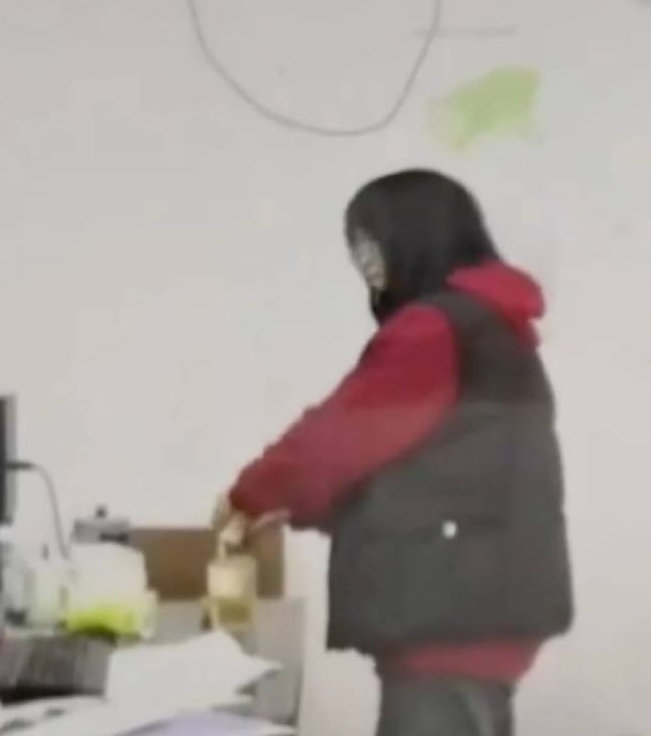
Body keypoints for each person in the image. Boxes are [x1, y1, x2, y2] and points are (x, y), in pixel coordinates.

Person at [215, 169, 572, 736]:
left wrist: (249, 497)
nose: (365, 262)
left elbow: (336, 442)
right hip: (485, 600)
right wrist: (305, 509)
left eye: (369, 241)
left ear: (414, 234)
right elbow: (428, 468)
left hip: (449, 610)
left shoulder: (435, 330)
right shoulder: (492, 329)